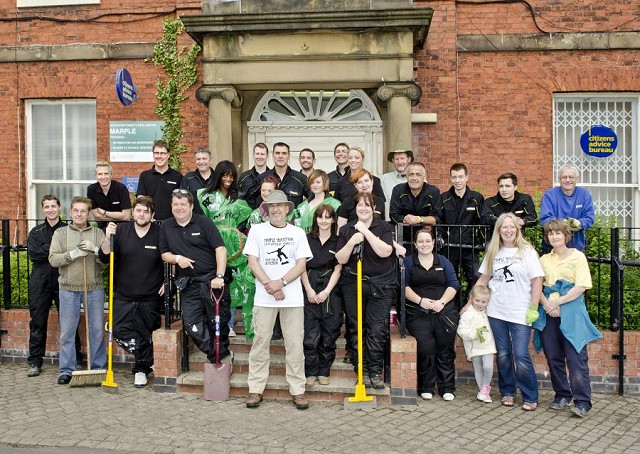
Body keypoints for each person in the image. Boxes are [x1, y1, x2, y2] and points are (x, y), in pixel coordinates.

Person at [244, 190, 313, 410]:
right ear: (266, 210)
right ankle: (255, 390)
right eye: (271, 206)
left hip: (292, 298)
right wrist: (270, 286)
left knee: (294, 345)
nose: (275, 210)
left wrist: (280, 283)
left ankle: (298, 390)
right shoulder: (257, 231)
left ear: (287, 209)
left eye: (280, 206)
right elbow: (253, 263)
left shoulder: (298, 233)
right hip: (264, 298)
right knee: (260, 343)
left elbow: (301, 265)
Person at [475, 212, 544, 411]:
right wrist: (470, 303)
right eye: (504, 227)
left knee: (521, 355)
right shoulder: (493, 252)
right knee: (504, 354)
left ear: (517, 229)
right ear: (499, 230)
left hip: (521, 311)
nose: (508, 230)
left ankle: (530, 395)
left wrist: (533, 306)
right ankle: (507, 392)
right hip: (497, 311)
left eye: (511, 226)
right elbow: (483, 280)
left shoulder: (527, 251)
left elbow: (537, 279)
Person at [537, 219, 602, 417]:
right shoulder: (543, 260)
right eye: (550, 233)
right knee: (554, 357)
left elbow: (581, 286)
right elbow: (537, 286)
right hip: (548, 313)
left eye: (558, 233)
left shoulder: (578, 257)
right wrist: (547, 305)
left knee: (576, 359)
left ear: (566, 236)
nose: (554, 236)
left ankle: (582, 401)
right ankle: (562, 395)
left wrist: (558, 303)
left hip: (572, 313)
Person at [159, 190, 232, 365]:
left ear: (191, 206)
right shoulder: (166, 226)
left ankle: (219, 361)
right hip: (189, 285)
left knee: (218, 324)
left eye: (183, 204)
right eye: (175, 204)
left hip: (212, 282)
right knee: (193, 326)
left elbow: (220, 249)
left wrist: (219, 276)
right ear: (171, 206)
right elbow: (164, 254)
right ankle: (221, 356)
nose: (179, 208)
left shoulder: (204, 222)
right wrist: (178, 259)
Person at [98, 196, 163, 388]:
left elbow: (169, 260)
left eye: (145, 211)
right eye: (138, 210)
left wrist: (169, 282)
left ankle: (141, 369)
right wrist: (107, 237)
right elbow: (104, 257)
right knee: (118, 329)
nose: (141, 214)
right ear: (133, 212)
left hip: (150, 296)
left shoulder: (160, 233)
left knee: (145, 332)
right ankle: (147, 356)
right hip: (124, 294)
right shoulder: (120, 231)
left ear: (152, 215)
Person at [335, 192, 396, 390]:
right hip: (353, 284)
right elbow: (341, 259)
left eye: (367, 205)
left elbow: (386, 251)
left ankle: (375, 371)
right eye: (359, 205)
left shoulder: (384, 227)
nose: (363, 208)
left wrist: (366, 232)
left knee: (376, 329)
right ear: (355, 208)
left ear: (373, 207)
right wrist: (352, 241)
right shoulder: (346, 230)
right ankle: (360, 370)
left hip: (380, 285)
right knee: (355, 328)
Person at [49, 196, 107, 385]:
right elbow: (53, 259)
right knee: (67, 331)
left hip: (94, 288)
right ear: (71, 212)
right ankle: (67, 370)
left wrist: (96, 250)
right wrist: (72, 255)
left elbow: (106, 260)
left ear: (88, 213)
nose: (79, 214)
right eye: (76, 211)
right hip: (68, 289)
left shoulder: (98, 233)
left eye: (83, 211)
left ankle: (98, 368)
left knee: (97, 330)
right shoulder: (60, 233)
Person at [403, 227, 460, 401]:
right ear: (415, 243)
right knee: (426, 349)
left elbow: (454, 284)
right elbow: (403, 287)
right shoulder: (408, 262)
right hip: (418, 314)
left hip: (444, 313)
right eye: (420, 241)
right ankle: (426, 387)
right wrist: (421, 301)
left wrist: (441, 302)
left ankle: (447, 388)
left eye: (428, 241)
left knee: (445, 350)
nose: (424, 244)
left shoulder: (443, 261)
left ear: (434, 243)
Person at [26, 195, 80, 377]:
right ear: (43, 209)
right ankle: (34, 361)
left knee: (70, 322)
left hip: (63, 281)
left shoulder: (68, 229)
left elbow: (70, 252)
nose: (50, 209)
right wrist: (56, 250)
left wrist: (50, 250)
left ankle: (76, 359)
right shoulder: (36, 232)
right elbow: (34, 254)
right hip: (40, 283)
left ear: (59, 207)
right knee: (38, 323)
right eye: (47, 207)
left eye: (53, 206)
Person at [198, 160, 252, 337]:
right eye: (225, 175)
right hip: (212, 245)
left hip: (234, 247)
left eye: (231, 175)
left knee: (232, 284)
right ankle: (213, 322)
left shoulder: (238, 197)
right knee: (214, 283)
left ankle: (228, 323)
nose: (228, 179)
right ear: (218, 175)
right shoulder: (206, 196)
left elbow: (245, 220)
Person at [301, 205, 342, 387]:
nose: (324, 221)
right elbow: (301, 266)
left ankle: (324, 371)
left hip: (330, 291)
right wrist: (309, 290)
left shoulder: (338, 240)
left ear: (333, 219)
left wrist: (326, 292)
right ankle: (310, 372)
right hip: (308, 286)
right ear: (315, 219)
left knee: (329, 333)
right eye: (320, 217)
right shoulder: (307, 239)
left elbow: (338, 268)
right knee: (310, 335)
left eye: (328, 217)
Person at [440, 163, 485, 308]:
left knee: (476, 277)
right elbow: (439, 221)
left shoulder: (476, 198)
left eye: (460, 177)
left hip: (469, 247)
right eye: (454, 177)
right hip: (449, 247)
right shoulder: (444, 198)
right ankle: (452, 310)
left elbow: (482, 221)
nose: (457, 180)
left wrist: (484, 242)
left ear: (467, 177)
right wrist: (440, 238)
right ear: (450, 178)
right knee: (450, 280)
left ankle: (470, 306)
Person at [540, 164, 595, 252]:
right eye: (564, 177)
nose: (568, 180)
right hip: (552, 247)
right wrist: (564, 224)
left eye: (571, 177)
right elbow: (545, 219)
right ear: (559, 179)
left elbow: (589, 218)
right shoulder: (549, 195)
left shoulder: (584, 195)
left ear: (577, 179)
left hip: (576, 247)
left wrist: (579, 223)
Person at [457, 285, 496, 403]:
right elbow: (461, 330)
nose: (480, 304)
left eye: (483, 301)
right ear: (471, 298)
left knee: (488, 367)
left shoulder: (489, 312)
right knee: (478, 369)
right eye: (477, 300)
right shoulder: (467, 314)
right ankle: (483, 392)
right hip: (474, 347)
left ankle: (485, 388)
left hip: (488, 346)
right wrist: (473, 334)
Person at [390, 162, 443, 247]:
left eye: (418, 175)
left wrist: (418, 220)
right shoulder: (398, 190)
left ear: (424, 177)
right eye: (411, 174)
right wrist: (421, 222)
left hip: (427, 239)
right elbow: (394, 215)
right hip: (404, 239)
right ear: (406, 176)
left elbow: (437, 218)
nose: (414, 178)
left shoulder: (434, 191)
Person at [137, 140, 183, 221]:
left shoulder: (177, 176)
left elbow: (181, 200)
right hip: (150, 222)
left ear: (168, 155)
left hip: (172, 223)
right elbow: (141, 199)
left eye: (162, 153)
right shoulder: (145, 175)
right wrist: (147, 217)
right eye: (156, 153)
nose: (159, 156)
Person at [261, 142, 309, 208]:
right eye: (277, 153)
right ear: (273, 155)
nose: (280, 156)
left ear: (289, 156)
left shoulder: (301, 179)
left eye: (284, 153)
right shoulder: (262, 178)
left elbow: (313, 199)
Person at [86, 161, 132, 230]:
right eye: (100, 174)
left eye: (106, 174)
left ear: (111, 175)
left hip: (122, 228)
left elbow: (126, 216)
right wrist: (119, 216)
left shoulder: (121, 188)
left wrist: (104, 212)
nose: (103, 177)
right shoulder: (91, 189)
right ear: (96, 176)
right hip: (102, 228)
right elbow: (96, 215)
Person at [180, 147, 214, 216]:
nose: (201, 162)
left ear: (211, 161)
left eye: (204, 159)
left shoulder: (217, 178)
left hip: (215, 221)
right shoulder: (188, 179)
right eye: (198, 159)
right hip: (194, 221)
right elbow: (182, 199)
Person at [380, 149, 413, 219]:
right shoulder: (384, 179)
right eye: (396, 159)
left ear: (409, 159)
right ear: (393, 160)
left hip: (412, 223)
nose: (399, 162)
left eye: (402, 158)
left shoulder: (417, 179)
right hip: (389, 222)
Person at [239, 143, 271, 210]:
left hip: (268, 216)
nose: (259, 157)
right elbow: (239, 200)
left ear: (267, 156)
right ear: (253, 155)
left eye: (262, 154)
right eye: (257, 154)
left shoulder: (273, 177)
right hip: (247, 217)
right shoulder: (244, 177)